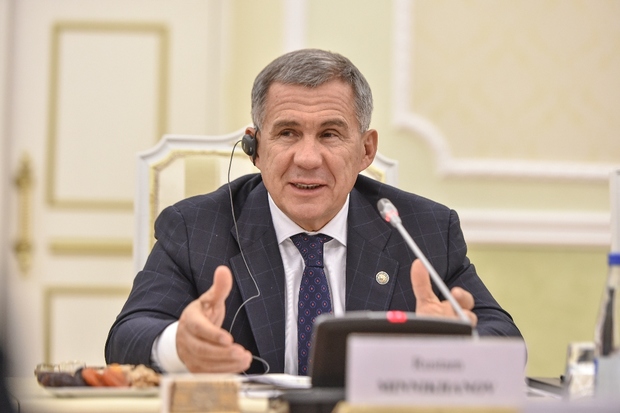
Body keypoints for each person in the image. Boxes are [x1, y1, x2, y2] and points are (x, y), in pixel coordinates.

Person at [105, 48, 522, 375]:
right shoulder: (196, 228)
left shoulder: (422, 229)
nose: (307, 158)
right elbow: (127, 337)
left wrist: (454, 345)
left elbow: (505, 341)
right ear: (255, 148)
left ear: (366, 150)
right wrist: (179, 344)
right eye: (287, 132)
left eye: (330, 134)